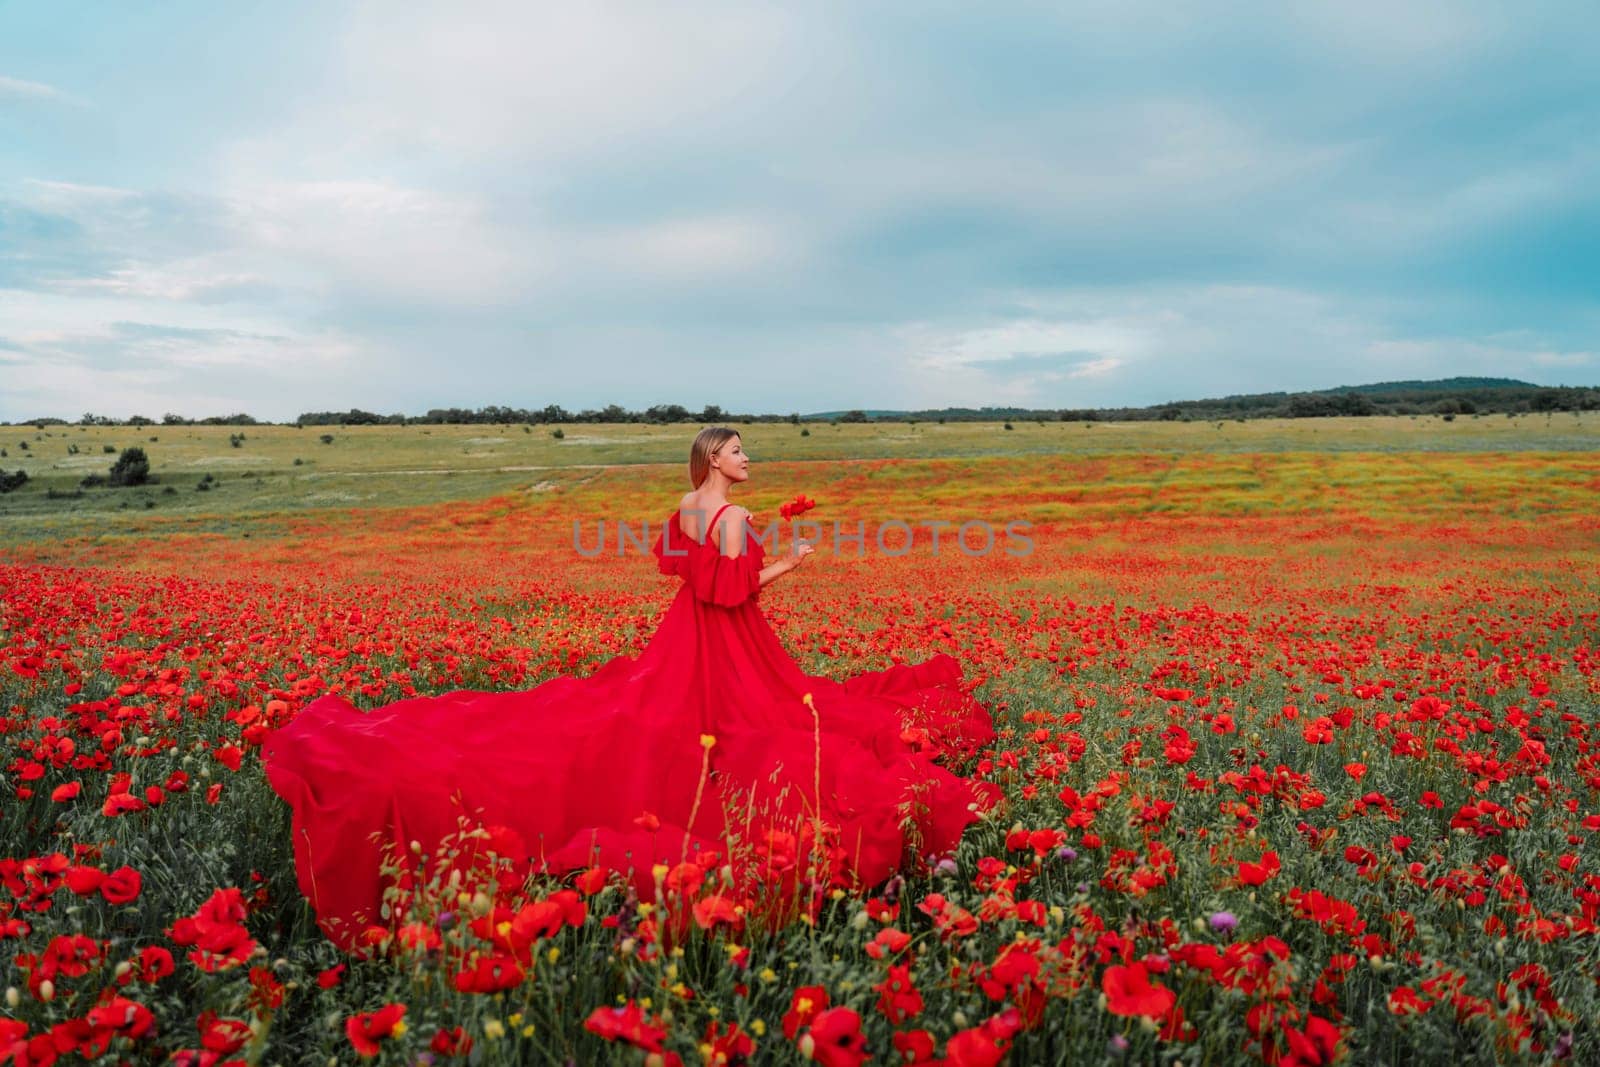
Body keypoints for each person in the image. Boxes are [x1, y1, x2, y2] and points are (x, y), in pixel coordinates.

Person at [263, 427, 996, 951]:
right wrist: (793, 562)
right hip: (730, 646)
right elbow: (735, 594)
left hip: (680, 639)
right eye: (739, 450)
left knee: (623, 709)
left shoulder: (686, 505)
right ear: (715, 456)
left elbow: (682, 572)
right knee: (764, 728)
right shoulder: (736, 515)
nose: (749, 460)